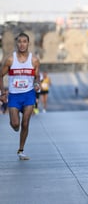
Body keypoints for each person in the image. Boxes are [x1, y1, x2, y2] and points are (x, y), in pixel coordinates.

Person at [0, 32, 41, 160]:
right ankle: (14, 124)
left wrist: (37, 84)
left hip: (29, 94)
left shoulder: (34, 60)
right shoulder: (10, 59)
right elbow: (1, 75)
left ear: (28, 43)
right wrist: (2, 93)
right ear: (16, 43)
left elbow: (37, 76)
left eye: (24, 41)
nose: (22, 44)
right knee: (16, 124)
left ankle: (21, 150)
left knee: (25, 123)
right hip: (14, 95)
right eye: (19, 41)